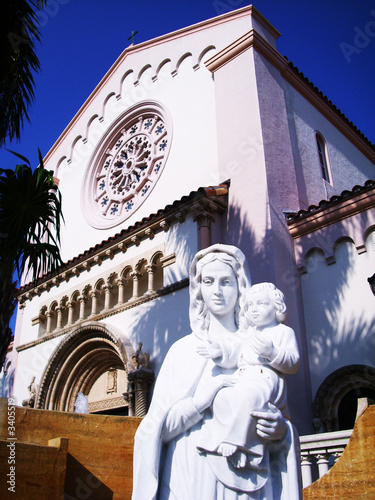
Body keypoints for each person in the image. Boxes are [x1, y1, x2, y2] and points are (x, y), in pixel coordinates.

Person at [132, 244, 301, 500]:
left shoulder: (261, 347)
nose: (217, 291)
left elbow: (279, 414)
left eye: (226, 282)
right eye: (209, 281)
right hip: (187, 479)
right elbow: (156, 431)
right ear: (199, 289)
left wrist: (280, 432)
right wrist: (200, 402)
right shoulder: (182, 351)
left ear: (240, 286)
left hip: (247, 482)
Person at [196, 283, 300, 492]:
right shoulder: (247, 334)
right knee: (222, 398)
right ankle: (236, 446)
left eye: (261, 304)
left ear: (277, 307)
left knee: (250, 400)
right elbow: (234, 354)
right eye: (250, 305)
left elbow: (293, 362)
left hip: (265, 379)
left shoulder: (282, 332)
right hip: (242, 377)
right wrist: (219, 352)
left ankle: (236, 443)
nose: (254, 309)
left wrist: (272, 353)